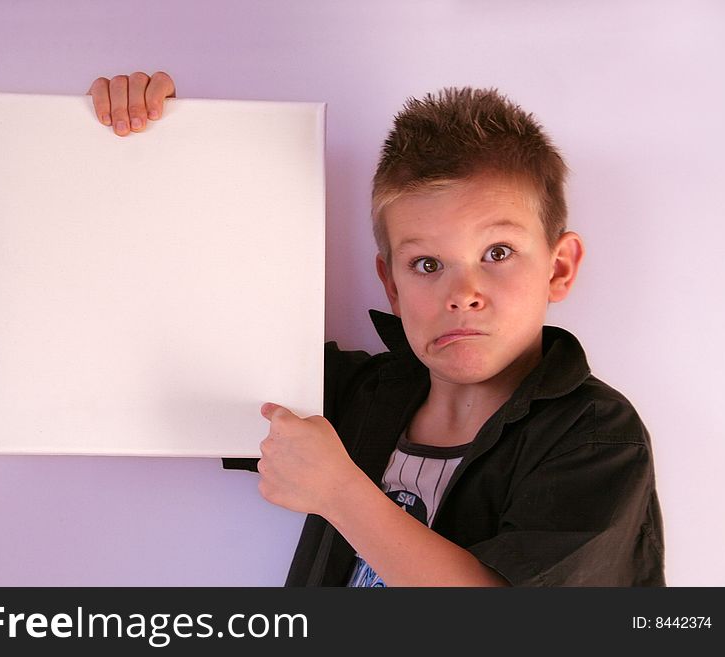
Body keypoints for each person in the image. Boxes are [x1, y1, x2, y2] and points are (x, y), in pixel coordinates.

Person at [87, 72, 665, 586]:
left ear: (558, 268)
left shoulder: (596, 436)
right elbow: (173, 334)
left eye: (497, 251)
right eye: (427, 265)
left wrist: (342, 493)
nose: (462, 293)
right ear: (391, 285)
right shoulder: (349, 397)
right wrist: (149, 145)